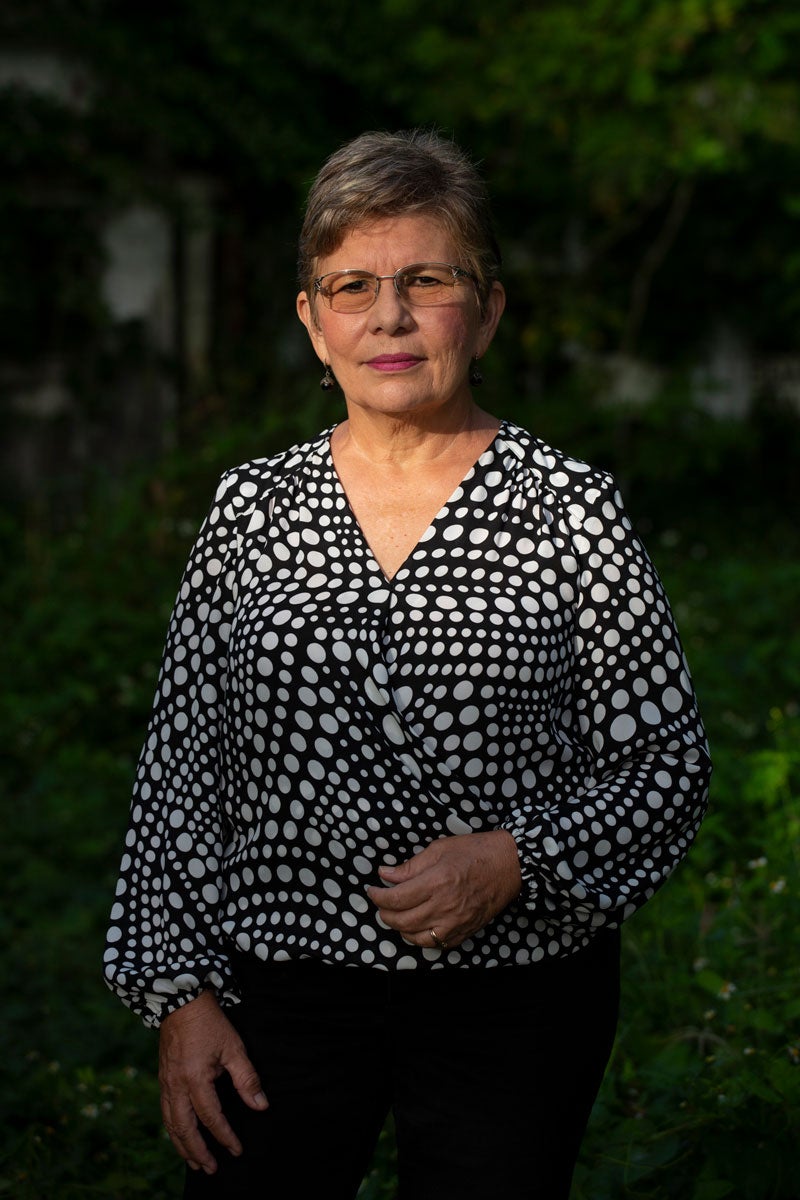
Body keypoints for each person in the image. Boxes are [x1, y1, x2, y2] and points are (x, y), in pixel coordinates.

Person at [104, 129, 711, 1200]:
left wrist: (516, 855)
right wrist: (180, 996)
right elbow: (180, 768)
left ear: (484, 309)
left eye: (424, 279)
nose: (387, 315)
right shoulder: (253, 509)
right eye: (351, 286)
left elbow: (663, 766)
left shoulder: (567, 509)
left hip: (515, 999)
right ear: (311, 322)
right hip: (277, 997)